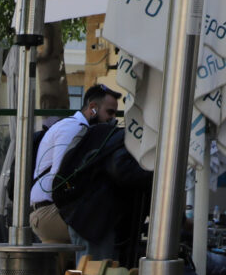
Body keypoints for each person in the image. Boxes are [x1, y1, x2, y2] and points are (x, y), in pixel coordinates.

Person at [50, 115, 153, 265]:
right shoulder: (130, 142)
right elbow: (120, 169)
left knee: (88, 272)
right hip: (96, 220)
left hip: (82, 215)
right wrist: (156, 174)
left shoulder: (114, 137)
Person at [28, 84, 120, 245]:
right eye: (109, 112)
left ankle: (84, 268)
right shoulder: (74, 128)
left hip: (49, 210)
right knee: (99, 229)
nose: (112, 119)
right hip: (49, 212)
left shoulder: (78, 128)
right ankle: (92, 270)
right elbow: (61, 179)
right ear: (93, 108)